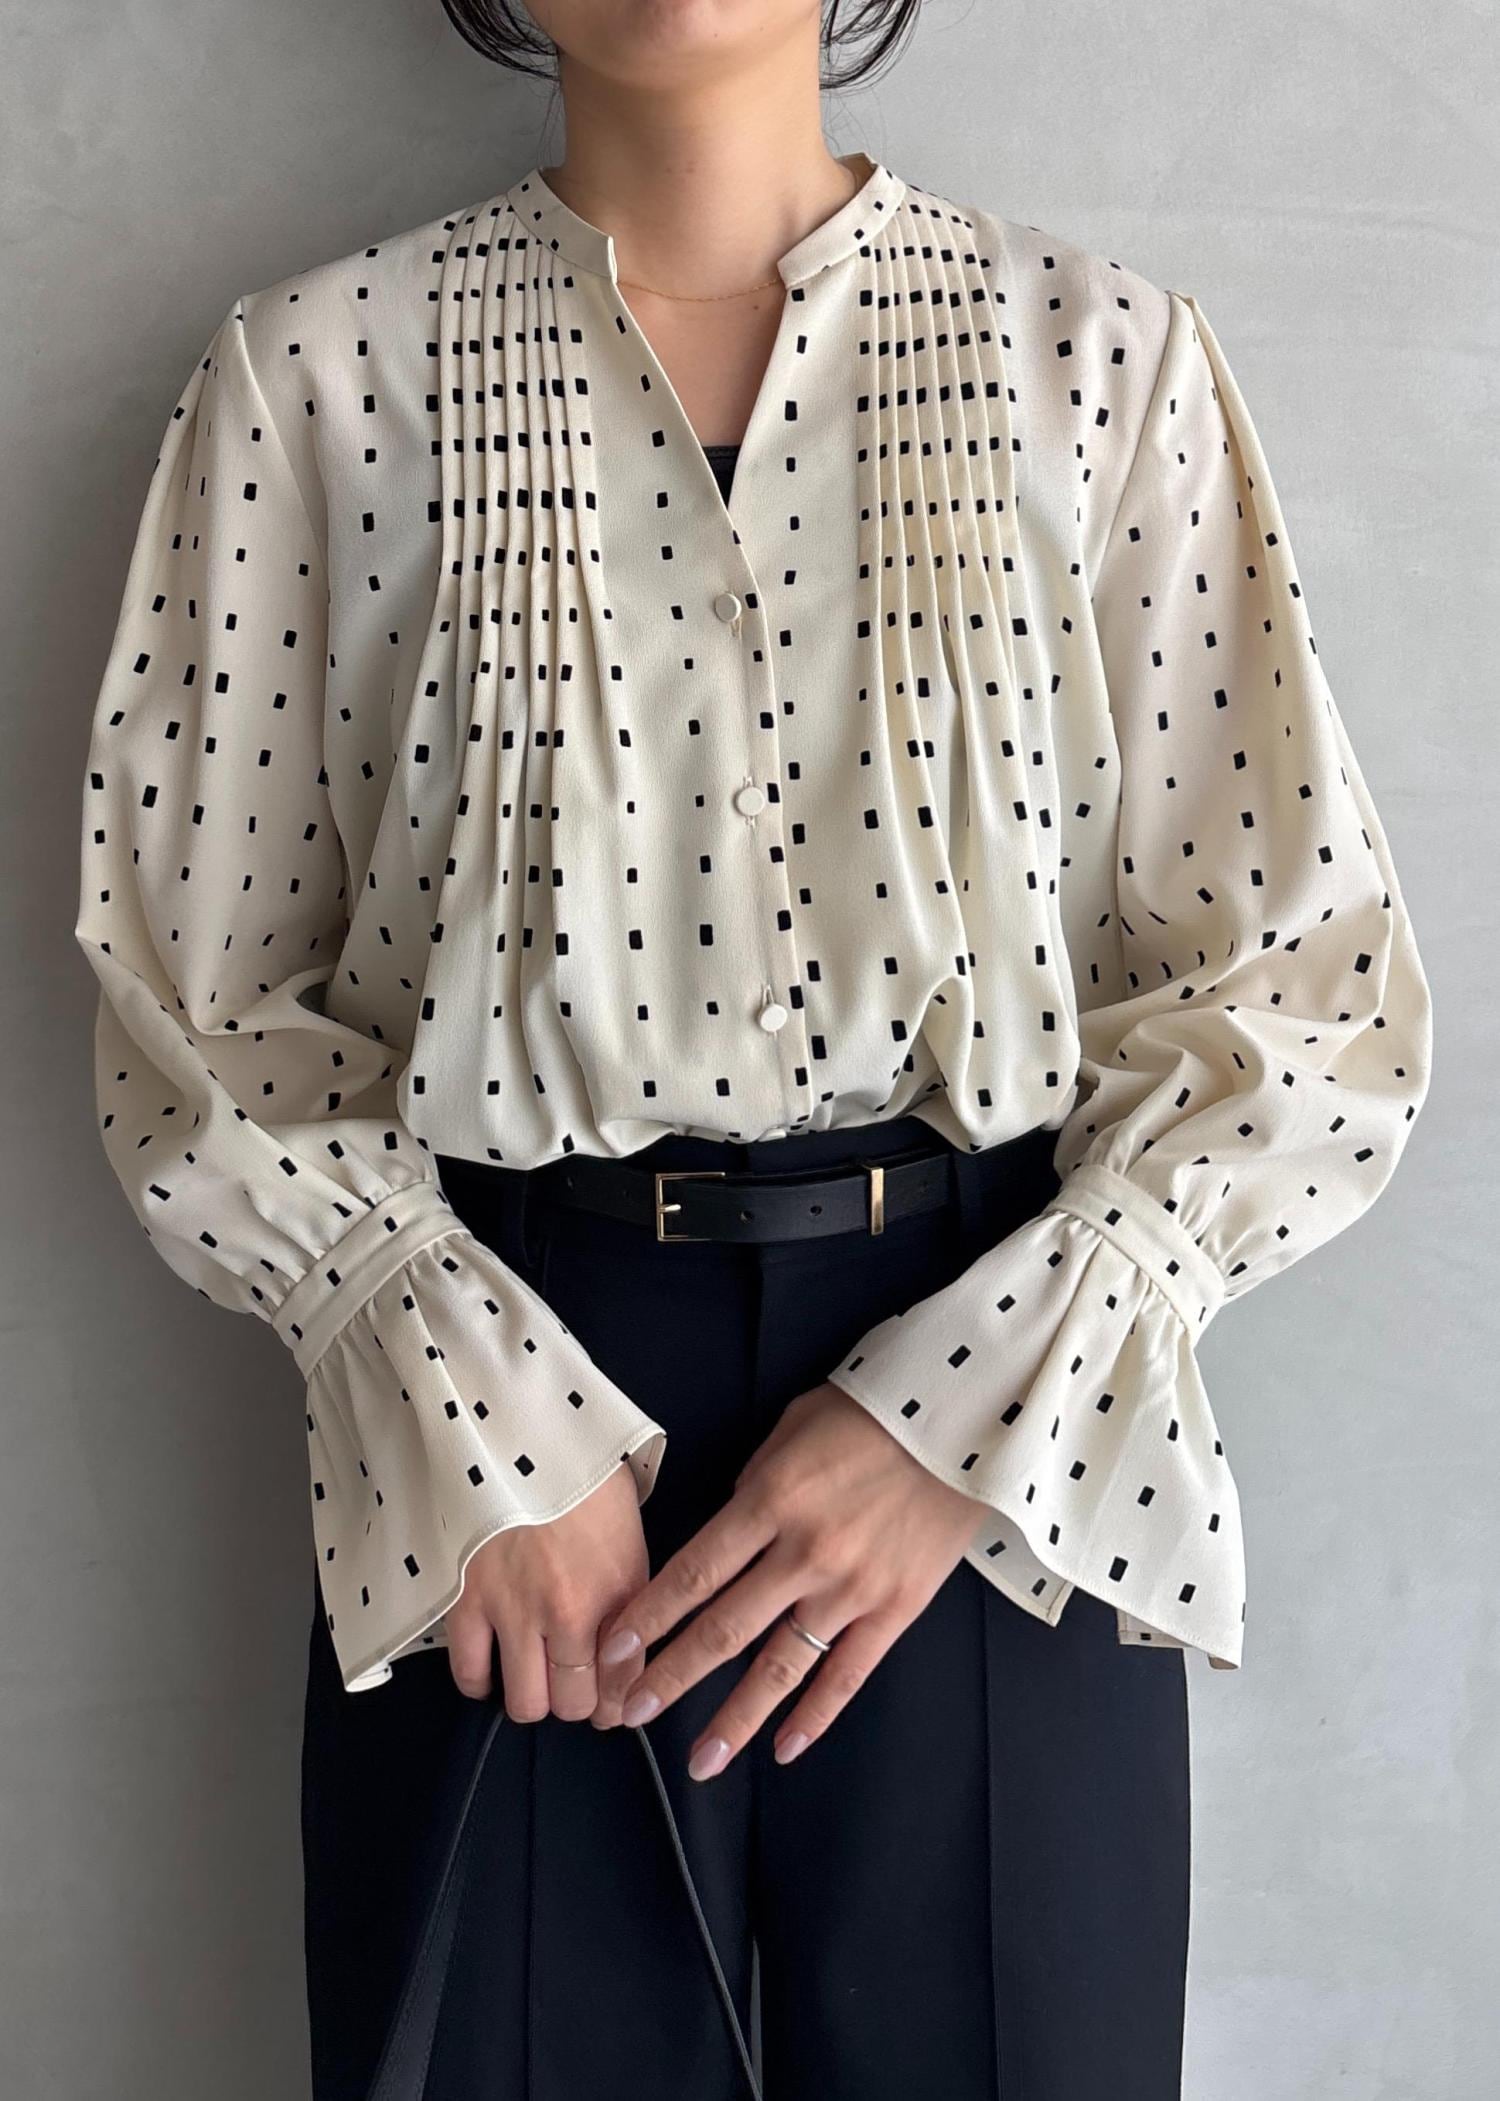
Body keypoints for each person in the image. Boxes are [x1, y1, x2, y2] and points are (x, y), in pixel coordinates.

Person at [71, 2, 1434, 2095]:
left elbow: (1297, 995)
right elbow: (205, 1007)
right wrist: (460, 1404)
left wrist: (970, 1422)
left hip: (1000, 1427)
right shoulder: (318, 381)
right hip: (506, 1452)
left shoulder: (1097, 364)